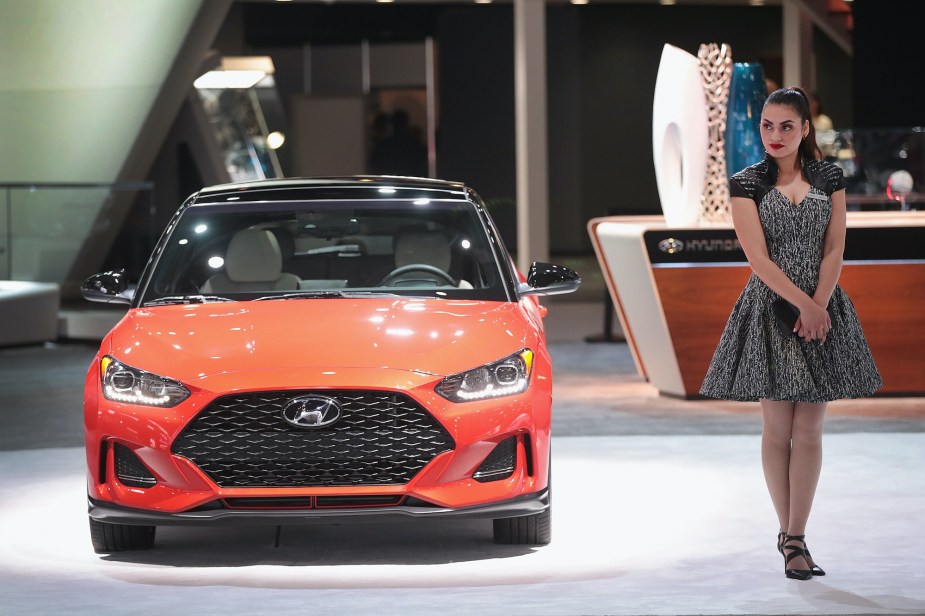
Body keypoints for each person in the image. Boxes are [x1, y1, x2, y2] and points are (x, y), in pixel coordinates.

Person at [700, 87, 882, 580]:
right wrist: (804, 305)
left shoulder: (829, 177)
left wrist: (820, 305)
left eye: (785, 126)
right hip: (771, 310)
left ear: (805, 129)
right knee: (778, 431)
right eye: (766, 125)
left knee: (810, 431)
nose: (774, 135)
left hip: (822, 308)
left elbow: (834, 248)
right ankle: (789, 537)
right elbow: (757, 259)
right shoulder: (746, 182)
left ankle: (796, 533)